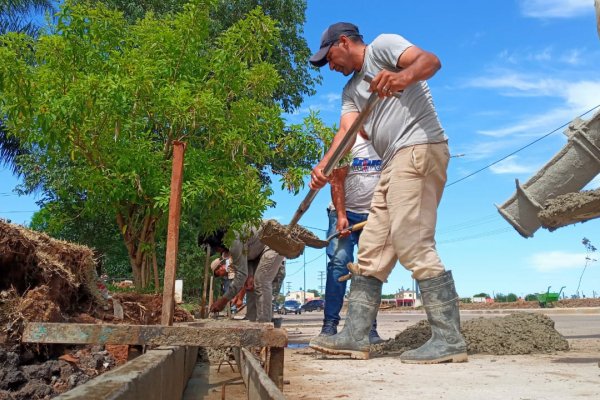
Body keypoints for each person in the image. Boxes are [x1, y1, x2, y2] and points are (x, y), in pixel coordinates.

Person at [307, 22, 467, 363]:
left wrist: (400, 77)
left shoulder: (383, 47)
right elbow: (347, 132)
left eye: (329, 57)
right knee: (372, 250)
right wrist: (324, 166)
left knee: (413, 242)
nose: (329, 66)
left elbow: (431, 61)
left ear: (344, 42)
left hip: (420, 148)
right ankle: (355, 335)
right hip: (393, 162)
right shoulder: (350, 91)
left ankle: (449, 339)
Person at [320, 130, 384, 345]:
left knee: (371, 269)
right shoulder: (349, 142)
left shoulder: (387, 141)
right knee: (339, 264)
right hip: (344, 212)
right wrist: (341, 215)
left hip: (374, 215)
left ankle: (368, 328)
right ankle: (329, 325)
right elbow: (336, 181)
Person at [200, 224, 285, 323]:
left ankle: (264, 325)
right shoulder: (232, 241)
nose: (218, 251)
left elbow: (241, 275)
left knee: (261, 281)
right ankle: (252, 323)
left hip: (273, 243)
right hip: (255, 252)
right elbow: (247, 257)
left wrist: (223, 301)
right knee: (250, 285)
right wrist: (250, 275)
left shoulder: (234, 241)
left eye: (217, 249)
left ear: (218, 242)